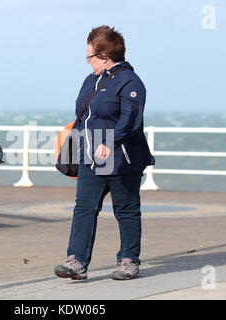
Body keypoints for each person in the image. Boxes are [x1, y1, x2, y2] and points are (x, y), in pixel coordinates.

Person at [54, 25, 155, 280]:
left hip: (122, 159)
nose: (87, 62)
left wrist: (109, 142)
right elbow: (83, 117)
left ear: (103, 56)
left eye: (89, 57)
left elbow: (130, 119)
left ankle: (129, 261)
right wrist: (72, 149)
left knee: (126, 210)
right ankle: (77, 261)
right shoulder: (91, 81)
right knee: (84, 208)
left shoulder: (130, 82)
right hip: (90, 157)